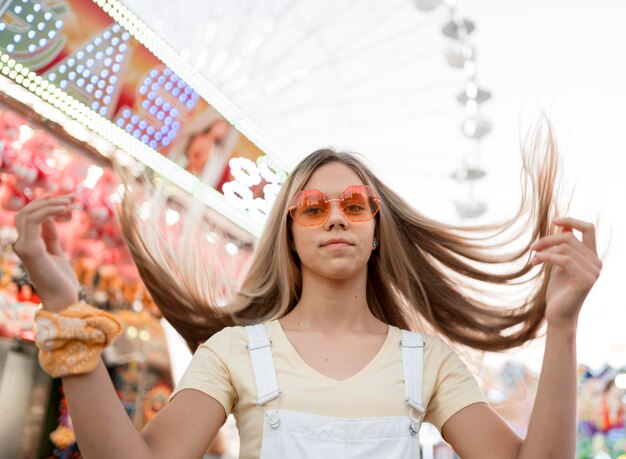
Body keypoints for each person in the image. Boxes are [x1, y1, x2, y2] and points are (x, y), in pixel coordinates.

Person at [14, 126, 602, 458]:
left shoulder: (428, 363)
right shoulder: (235, 353)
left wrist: (565, 324)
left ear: (377, 231)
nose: (337, 220)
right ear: (290, 235)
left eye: (354, 207)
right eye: (313, 209)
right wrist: (65, 308)